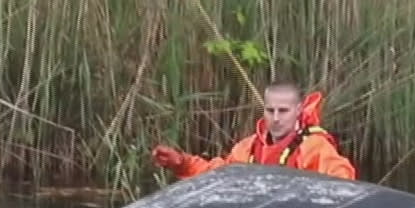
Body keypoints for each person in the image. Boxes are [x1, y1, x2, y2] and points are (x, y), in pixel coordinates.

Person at [152, 83, 357, 180]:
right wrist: (182, 164)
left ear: (297, 111)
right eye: (270, 110)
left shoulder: (313, 147)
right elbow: (218, 175)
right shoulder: (248, 147)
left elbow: (343, 180)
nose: (276, 118)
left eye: (283, 111)